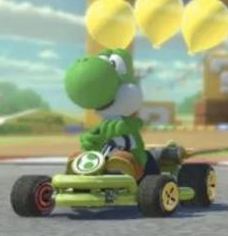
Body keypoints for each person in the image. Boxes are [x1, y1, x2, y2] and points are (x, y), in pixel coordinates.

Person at [64, 49, 159, 180]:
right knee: (84, 155)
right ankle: (81, 169)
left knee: (126, 158)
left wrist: (120, 127)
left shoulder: (127, 123)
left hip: (133, 157)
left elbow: (133, 125)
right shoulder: (104, 125)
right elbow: (95, 137)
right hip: (103, 157)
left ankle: (124, 167)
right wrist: (90, 140)